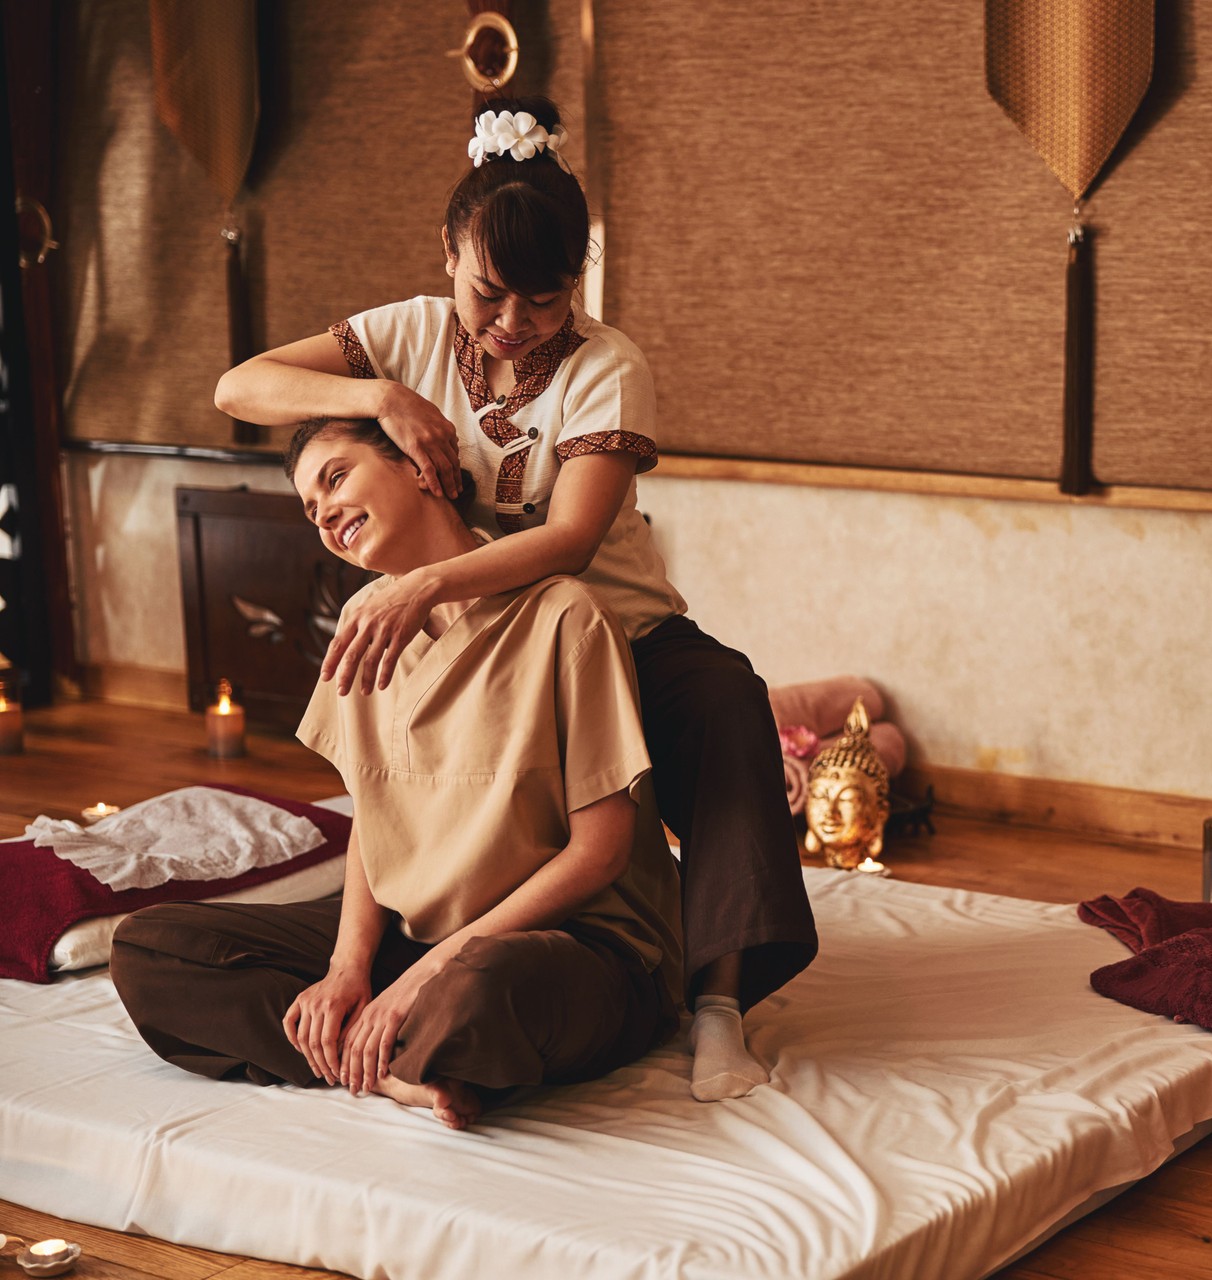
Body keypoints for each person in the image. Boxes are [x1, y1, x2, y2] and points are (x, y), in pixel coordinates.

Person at [214, 96, 814, 1101]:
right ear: (450, 251)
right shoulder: (405, 336)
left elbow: (571, 541)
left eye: (543, 300)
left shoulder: (604, 365)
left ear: (576, 284)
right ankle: (406, 987)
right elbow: (240, 385)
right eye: (489, 294)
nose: (511, 325)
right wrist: (376, 397)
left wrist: (421, 585)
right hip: (476, 633)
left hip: (609, 626)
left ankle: (715, 998)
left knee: (724, 699)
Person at [112, 418, 683, 1130]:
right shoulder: (360, 623)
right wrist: (349, 969)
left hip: (573, 948)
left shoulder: (564, 614)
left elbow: (599, 854)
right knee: (148, 949)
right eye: (310, 509)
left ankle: (396, 1042)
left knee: (482, 992)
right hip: (415, 932)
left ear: (418, 468)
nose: (324, 514)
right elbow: (373, 820)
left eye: (335, 478)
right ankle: (395, 1071)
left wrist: (424, 976)